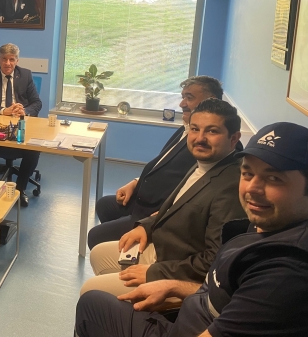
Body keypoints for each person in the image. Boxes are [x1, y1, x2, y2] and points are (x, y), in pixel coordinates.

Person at [75, 122, 308, 337]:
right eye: (248, 174)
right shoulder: (264, 224)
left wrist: (159, 273)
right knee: (93, 302)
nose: (252, 188)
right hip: (189, 306)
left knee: (92, 304)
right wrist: (174, 286)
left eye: (274, 178)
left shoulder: (285, 271)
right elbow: (223, 294)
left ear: (233, 138)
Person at [80, 99, 246, 296]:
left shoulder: (231, 187)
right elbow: (175, 206)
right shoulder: (204, 164)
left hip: (177, 268)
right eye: (195, 129)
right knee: (98, 254)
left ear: (234, 139)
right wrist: (147, 226)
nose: (200, 138)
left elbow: (214, 260)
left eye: (212, 131)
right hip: (165, 247)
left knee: (90, 290)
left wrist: (155, 272)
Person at [88, 76, 224, 250]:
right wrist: (136, 183)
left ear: (210, 101)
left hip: (157, 212)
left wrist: (157, 218)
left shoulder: (208, 144)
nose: (182, 103)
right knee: (104, 205)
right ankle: (124, 250)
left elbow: (195, 190)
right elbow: (162, 164)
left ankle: (124, 250)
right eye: (183, 97)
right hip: (145, 199)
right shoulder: (185, 129)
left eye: (189, 98)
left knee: (96, 236)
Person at [0, 43, 42, 207]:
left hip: (20, 126)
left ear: (17, 61)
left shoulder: (26, 75)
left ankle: (20, 189)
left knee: (33, 150)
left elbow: (37, 102)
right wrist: (3, 110)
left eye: (11, 59)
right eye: (4, 59)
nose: (8, 63)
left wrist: (24, 111)